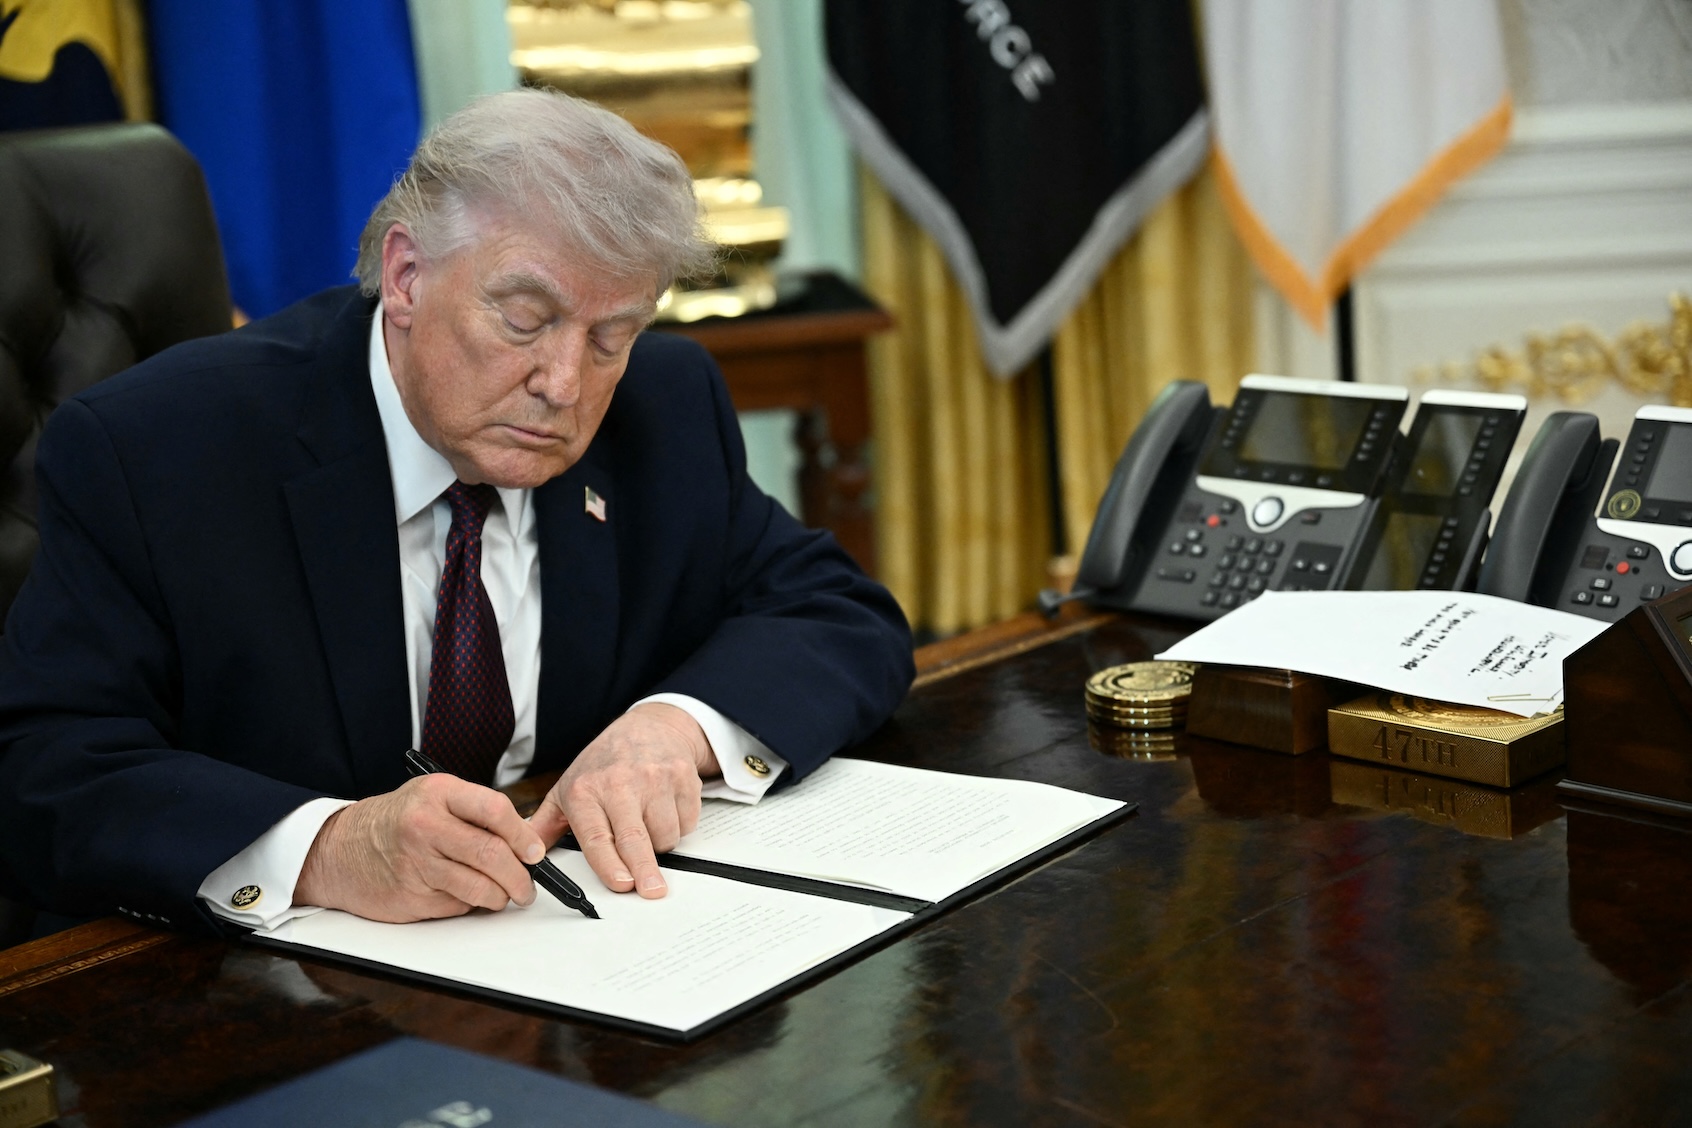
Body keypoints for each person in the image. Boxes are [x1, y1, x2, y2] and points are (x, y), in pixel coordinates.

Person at [0, 88, 913, 935]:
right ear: (405, 276)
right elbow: (46, 766)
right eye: (524, 320)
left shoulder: (661, 408)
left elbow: (839, 613)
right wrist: (325, 848)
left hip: (585, 964)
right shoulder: (160, 448)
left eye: (610, 336)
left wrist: (675, 728)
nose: (565, 385)